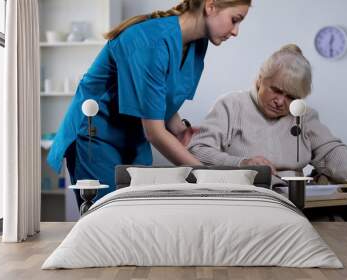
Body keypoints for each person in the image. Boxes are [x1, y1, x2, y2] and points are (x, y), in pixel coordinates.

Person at [47, 0, 251, 207]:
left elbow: (160, 97)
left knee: (138, 213)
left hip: (134, 136)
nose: (235, 32)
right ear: (211, 6)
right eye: (235, 20)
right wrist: (210, 178)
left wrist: (180, 130)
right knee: (107, 215)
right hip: (97, 134)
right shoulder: (148, 41)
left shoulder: (197, 43)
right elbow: (154, 132)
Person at [188, 44, 347, 194]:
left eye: (291, 97)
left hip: (295, 195)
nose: (279, 102)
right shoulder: (231, 104)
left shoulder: (304, 115)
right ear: (260, 80)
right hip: (249, 193)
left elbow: (330, 149)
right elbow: (197, 150)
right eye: (275, 90)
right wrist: (242, 163)